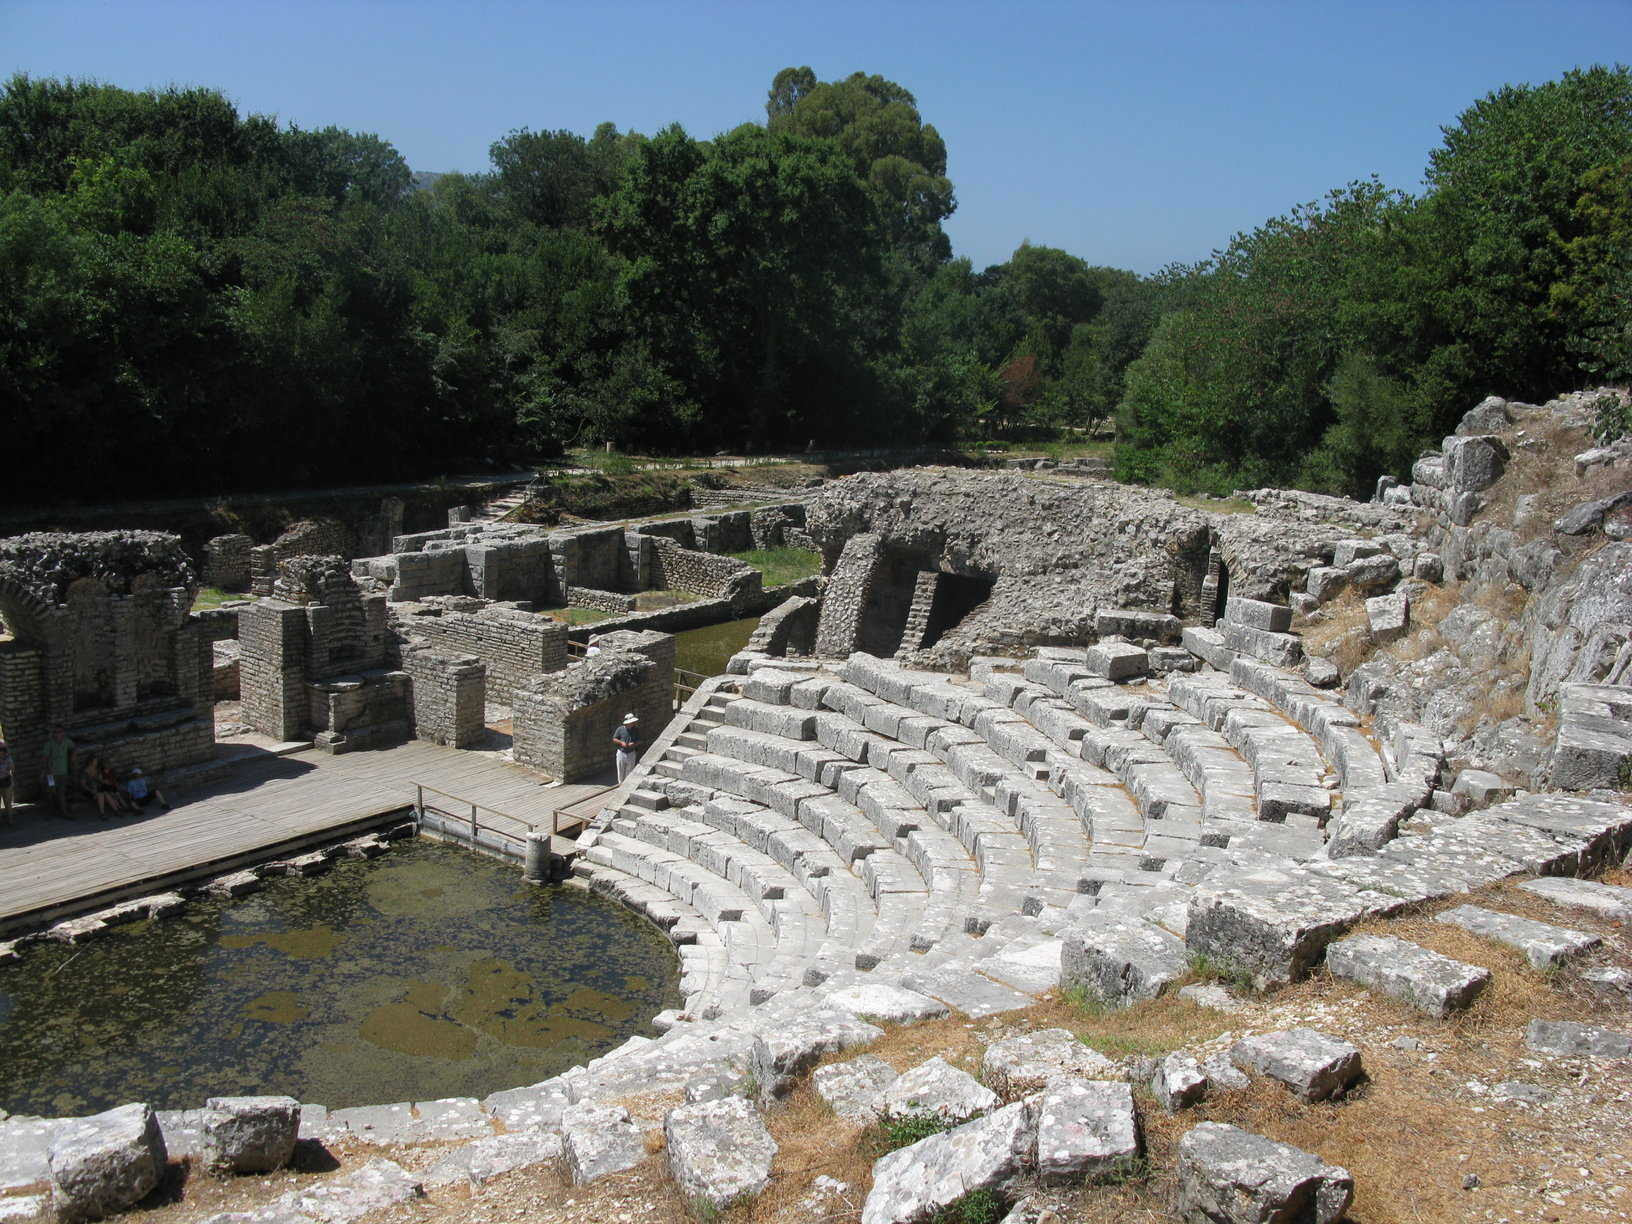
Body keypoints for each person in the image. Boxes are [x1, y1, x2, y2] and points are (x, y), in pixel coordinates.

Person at [81, 754, 128, 819]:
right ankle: (111, 811)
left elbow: (100, 780)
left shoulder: (97, 769)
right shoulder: (85, 772)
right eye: (95, 761)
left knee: (104, 792)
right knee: (102, 793)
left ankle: (109, 812)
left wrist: (105, 782)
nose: (96, 762)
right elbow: (83, 785)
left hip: (98, 788)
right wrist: (91, 791)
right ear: (90, 762)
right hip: (89, 790)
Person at [42, 725, 75, 819]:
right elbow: (44, 758)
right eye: (56, 732)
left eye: (60, 732)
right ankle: (52, 811)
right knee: (51, 792)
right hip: (51, 774)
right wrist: (46, 771)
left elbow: (73, 747)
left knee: (61, 793)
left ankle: (64, 812)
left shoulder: (67, 742)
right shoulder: (49, 744)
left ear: (63, 733)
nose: (58, 734)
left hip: (63, 772)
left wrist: (73, 755)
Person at [612, 713, 641, 782]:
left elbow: (639, 741)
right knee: (621, 771)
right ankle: (621, 785)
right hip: (621, 753)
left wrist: (634, 744)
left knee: (630, 771)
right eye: (632, 722)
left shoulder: (636, 730)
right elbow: (614, 739)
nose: (633, 723)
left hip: (631, 753)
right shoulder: (620, 729)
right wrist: (621, 743)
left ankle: (628, 784)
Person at [0, 740, 13, 826]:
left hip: (6, 781)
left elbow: (12, 768)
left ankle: (10, 820)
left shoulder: (8, 758)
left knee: (8, 802)